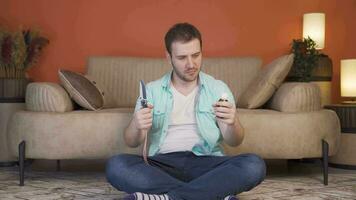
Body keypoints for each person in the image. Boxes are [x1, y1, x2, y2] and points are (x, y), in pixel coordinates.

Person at [106, 23, 266, 200]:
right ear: (169, 57)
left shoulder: (217, 88)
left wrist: (232, 122)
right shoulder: (151, 91)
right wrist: (136, 124)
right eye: (182, 57)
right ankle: (211, 194)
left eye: (196, 55)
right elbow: (131, 141)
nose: (191, 64)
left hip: (207, 164)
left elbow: (234, 141)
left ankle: (168, 197)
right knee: (117, 165)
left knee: (254, 165)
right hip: (162, 165)